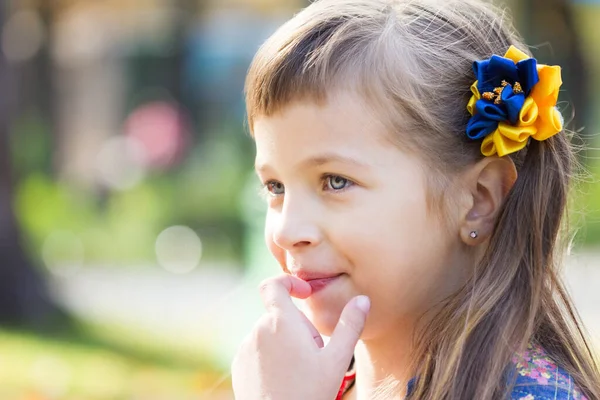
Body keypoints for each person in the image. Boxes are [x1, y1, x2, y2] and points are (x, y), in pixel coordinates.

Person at [230, 0, 600, 398]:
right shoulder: (312, 384)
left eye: (335, 181)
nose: (287, 230)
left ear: (477, 200)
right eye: (275, 187)